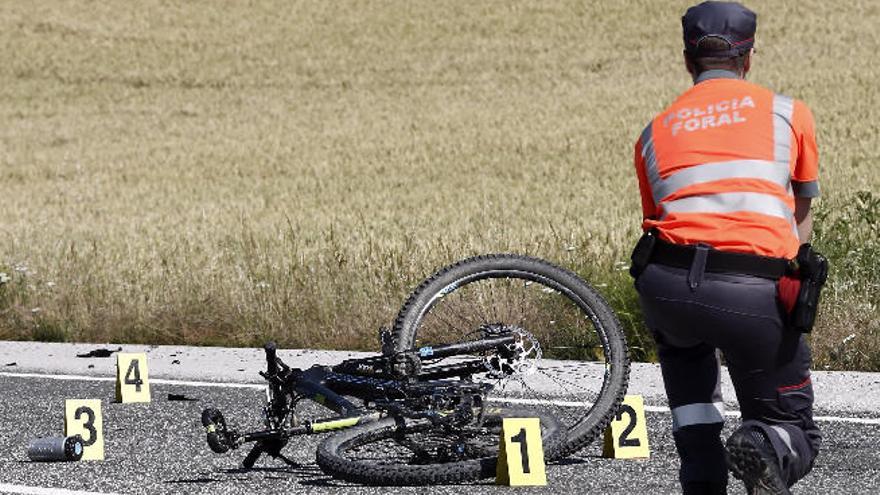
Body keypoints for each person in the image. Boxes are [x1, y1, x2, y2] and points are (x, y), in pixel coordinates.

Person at [629, 2, 822, 494]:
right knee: (790, 430)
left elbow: (658, 216)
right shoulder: (788, 113)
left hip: (666, 283)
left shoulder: (654, 131)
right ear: (749, 57)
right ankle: (763, 439)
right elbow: (801, 214)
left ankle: (701, 474)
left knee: (692, 387)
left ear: (687, 60)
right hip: (750, 287)